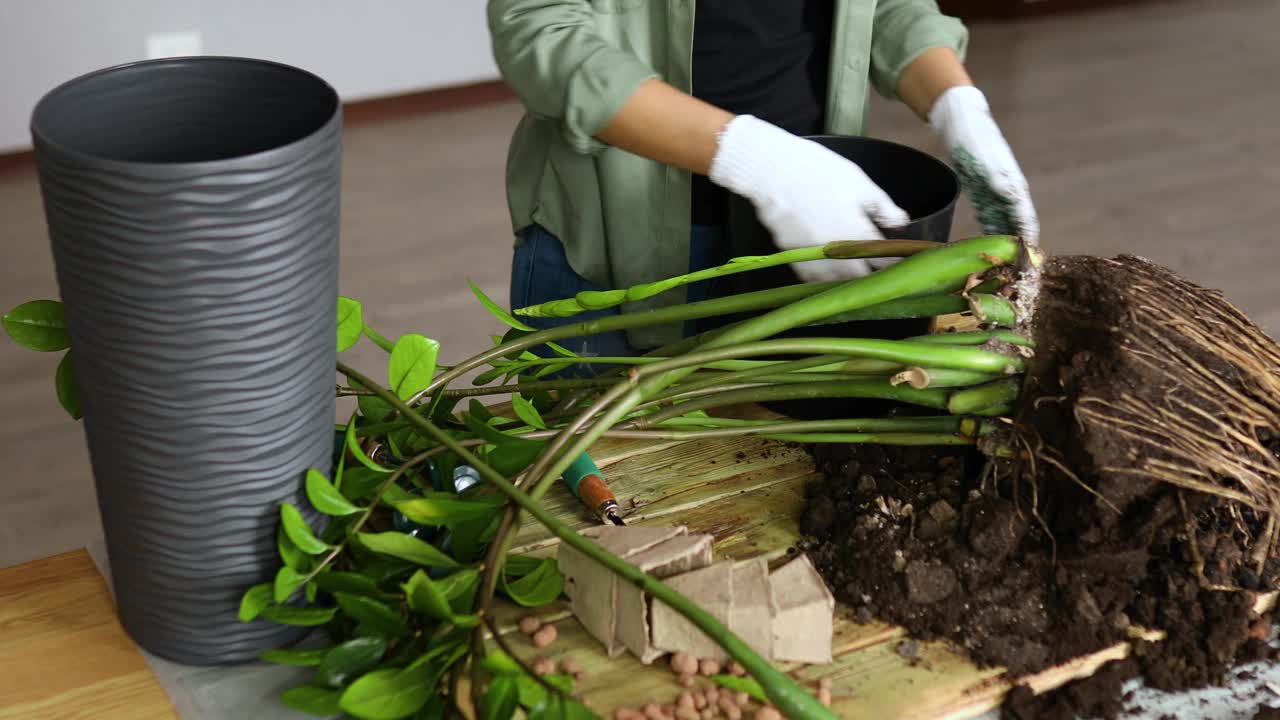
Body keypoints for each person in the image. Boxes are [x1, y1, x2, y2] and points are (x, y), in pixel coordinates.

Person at [486, 0, 1038, 372]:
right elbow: (541, 32)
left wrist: (957, 106)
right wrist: (757, 160)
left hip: (811, 232)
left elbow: (891, 6)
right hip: (612, 248)